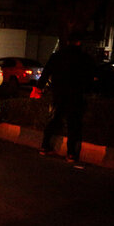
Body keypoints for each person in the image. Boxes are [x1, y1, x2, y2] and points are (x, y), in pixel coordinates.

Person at [36, 32, 95, 163]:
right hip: (76, 94)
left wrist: (39, 87)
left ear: (67, 42)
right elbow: (91, 77)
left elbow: (46, 73)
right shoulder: (84, 58)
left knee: (55, 118)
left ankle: (44, 146)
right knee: (73, 123)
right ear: (79, 42)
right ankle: (71, 154)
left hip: (59, 93)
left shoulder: (57, 56)